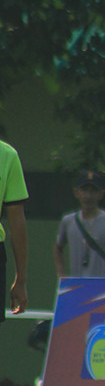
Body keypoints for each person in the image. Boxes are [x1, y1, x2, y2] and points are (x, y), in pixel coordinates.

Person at [0, 139, 28, 324]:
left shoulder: (7, 155)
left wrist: (21, 279)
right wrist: (21, 279)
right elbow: (16, 222)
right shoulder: (7, 154)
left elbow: (17, 223)